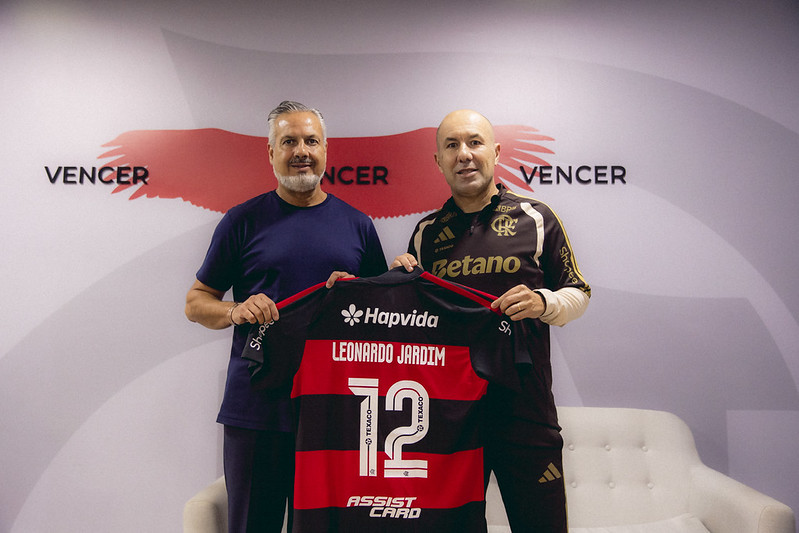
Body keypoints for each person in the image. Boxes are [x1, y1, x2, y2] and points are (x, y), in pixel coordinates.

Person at [185, 100, 387, 533]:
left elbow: (381, 319)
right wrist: (236, 310)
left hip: (335, 409)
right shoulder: (242, 221)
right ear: (271, 152)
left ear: (326, 149)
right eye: (289, 141)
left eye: (311, 141)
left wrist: (360, 293)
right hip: (256, 408)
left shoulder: (358, 225)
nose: (301, 151)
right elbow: (196, 302)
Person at [392, 109, 590, 532]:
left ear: (496, 152)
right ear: (438, 161)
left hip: (525, 409)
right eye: (451, 146)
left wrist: (541, 302)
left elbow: (578, 293)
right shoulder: (427, 234)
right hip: (451, 417)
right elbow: (415, 324)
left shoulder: (536, 217)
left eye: (474, 142)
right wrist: (397, 285)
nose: (464, 154)